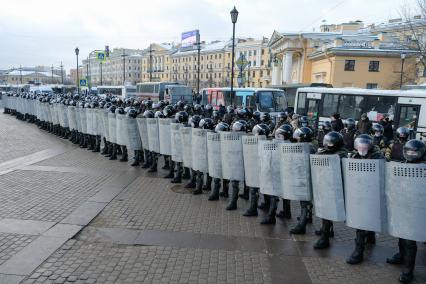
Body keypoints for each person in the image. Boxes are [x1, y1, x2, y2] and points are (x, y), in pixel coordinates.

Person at [386, 139, 425, 283]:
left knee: (410, 240)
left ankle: (408, 271)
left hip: (416, 207)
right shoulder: (402, 165)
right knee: (401, 235)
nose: (410, 154)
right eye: (408, 151)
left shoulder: (424, 168)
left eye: (414, 152)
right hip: (401, 204)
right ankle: (401, 256)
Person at [346, 134, 383, 265]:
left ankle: (371, 236)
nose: (362, 148)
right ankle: (358, 251)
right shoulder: (353, 156)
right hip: (359, 191)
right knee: (360, 222)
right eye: (360, 146)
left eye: (365, 145)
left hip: (373, 191)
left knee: (370, 216)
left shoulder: (378, 156)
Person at [313, 131, 348, 249]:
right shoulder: (327, 151)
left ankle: (325, 236)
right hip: (328, 184)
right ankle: (326, 231)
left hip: (338, 186)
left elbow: (334, 160)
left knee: (329, 208)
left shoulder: (341, 154)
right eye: (326, 143)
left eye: (330, 143)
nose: (327, 145)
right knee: (326, 208)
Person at [289, 127, 316, 235]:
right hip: (306, 177)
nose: (296, 139)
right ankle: (306, 218)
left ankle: (302, 226)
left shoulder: (307, 148)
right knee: (305, 202)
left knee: (305, 202)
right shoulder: (309, 146)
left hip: (306, 178)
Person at [243, 123, 270, 217]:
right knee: (266, 188)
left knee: (254, 189)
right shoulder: (269, 142)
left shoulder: (258, 142)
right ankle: (267, 205)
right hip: (265, 170)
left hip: (259, 168)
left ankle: (253, 209)